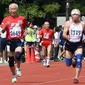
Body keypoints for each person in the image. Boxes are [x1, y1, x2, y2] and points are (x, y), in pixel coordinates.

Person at [1, 3, 26, 83]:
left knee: (18, 55)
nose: (13, 11)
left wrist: (26, 32)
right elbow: (2, 31)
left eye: (14, 9)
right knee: (11, 60)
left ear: (17, 10)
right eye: (11, 9)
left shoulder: (22, 19)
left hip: (19, 40)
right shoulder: (5, 19)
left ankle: (18, 68)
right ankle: (14, 75)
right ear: (9, 10)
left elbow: (25, 27)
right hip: (9, 41)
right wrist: (5, 26)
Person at [63, 9, 85, 84]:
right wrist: (66, 37)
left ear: (79, 16)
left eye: (76, 15)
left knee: (79, 60)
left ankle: (76, 77)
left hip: (78, 44)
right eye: (73, 15)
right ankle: (72, 61)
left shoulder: (83, 24)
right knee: (68, 64)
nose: (75, 16)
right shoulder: (68, 23)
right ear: (71, 16)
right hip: (69, 45)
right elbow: (64, 33)